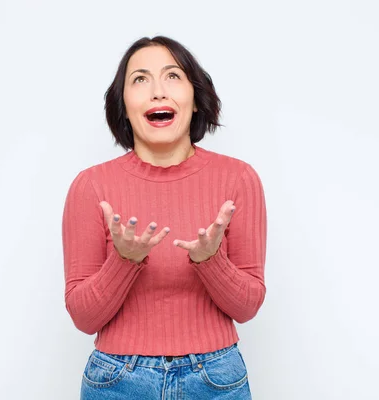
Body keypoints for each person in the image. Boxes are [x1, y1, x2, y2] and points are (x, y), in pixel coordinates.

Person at [62, 35, 267, 399]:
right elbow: (84, 318)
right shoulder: (90, 186)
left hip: (216, 378)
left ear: (195, 97)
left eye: (172, 76)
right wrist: (124, 260)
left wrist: (210, 261)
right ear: (123, 105)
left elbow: (247, 306)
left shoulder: (239, 179)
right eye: (140, 79)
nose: (157, 91)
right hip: (117, 379)